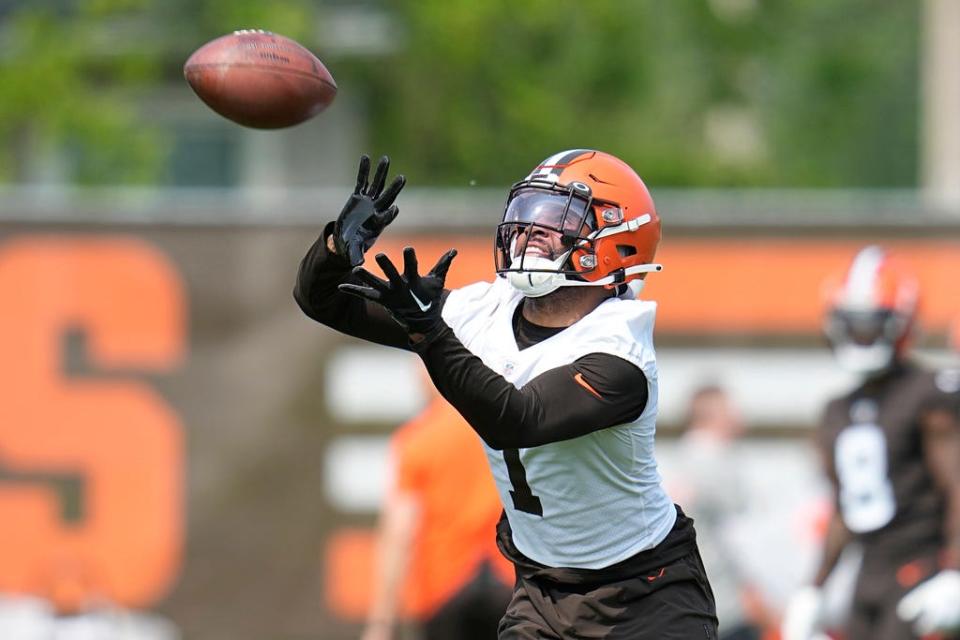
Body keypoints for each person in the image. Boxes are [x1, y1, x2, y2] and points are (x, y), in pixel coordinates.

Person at [295, 150, 718, 639]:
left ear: (618, 241)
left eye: (557, 217)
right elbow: (322, 300)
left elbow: (518, 419)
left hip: (645, 593)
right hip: (541, 591)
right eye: (529, 212)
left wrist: (428, 334)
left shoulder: (619, 349)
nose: (531, 228)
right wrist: (336, 249)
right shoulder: (488, 308)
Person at [781, 245, 960, 640]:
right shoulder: (837, 410)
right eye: (854, 323)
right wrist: (814, 587)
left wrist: (955, 573)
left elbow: (957, 488)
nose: (861, 334)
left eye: (872, 323)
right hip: (869, 573)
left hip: (923, 566)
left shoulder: (929, 395)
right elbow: (845, 508)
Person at [361, 396, 513, 640]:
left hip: (444, 586)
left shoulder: (420, 436)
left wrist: (382, 622)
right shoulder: (510, 430)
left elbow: (400, 531)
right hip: (509, 582)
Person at [663, 385, 775, 640]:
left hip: (695, 600)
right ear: (709, 416)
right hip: (728, 601)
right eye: (728, 410)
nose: (737, 416)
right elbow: (743, 533)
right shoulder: (713, 460)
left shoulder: (682, 458)